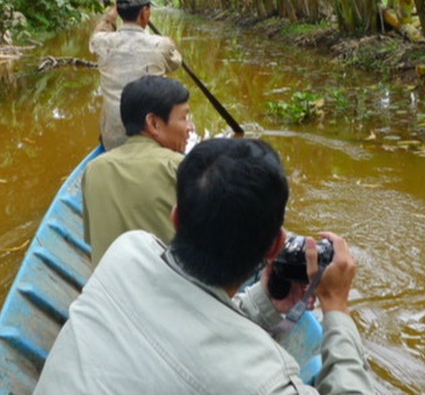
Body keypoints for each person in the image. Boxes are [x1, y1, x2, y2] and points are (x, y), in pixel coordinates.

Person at [35, 138, 375, 394]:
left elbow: (189, 320)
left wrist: (265, 305)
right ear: (275, 246)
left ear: (176, 218)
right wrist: (337, 307)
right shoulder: (264, 381)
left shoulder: (126, 251)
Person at [83, 74, 193, 267]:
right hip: (166, 294)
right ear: (153, 123)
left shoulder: (93, 169)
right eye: (184, 117)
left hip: (106, 294)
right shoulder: (178, 168)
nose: (190, 127)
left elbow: (92, 241)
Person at [89, 0, 182, 151]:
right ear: (145, 13)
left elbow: (102, 29)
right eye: (149, 10)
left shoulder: (101, 42)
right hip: (153, 142)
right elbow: (176, 63)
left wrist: (116, 6)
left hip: (112, 142)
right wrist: (172, 45)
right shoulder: (161, 45)